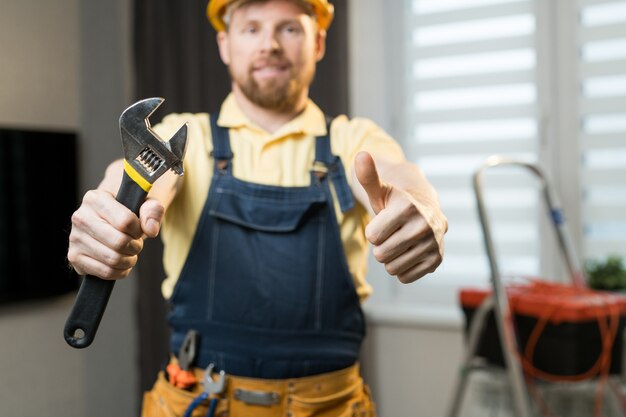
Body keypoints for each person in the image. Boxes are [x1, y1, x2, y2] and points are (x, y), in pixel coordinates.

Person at [67, 0, 448, 415]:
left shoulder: (352, 140)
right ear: (225, 44)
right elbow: (136, 181)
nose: (269, 44)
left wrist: (423, 205)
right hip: (197, 401)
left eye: (289, 29)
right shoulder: (186, 139)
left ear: (318, 42)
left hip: (330, 407)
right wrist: (104, 217)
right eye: (251, 29)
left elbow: (401, 178)